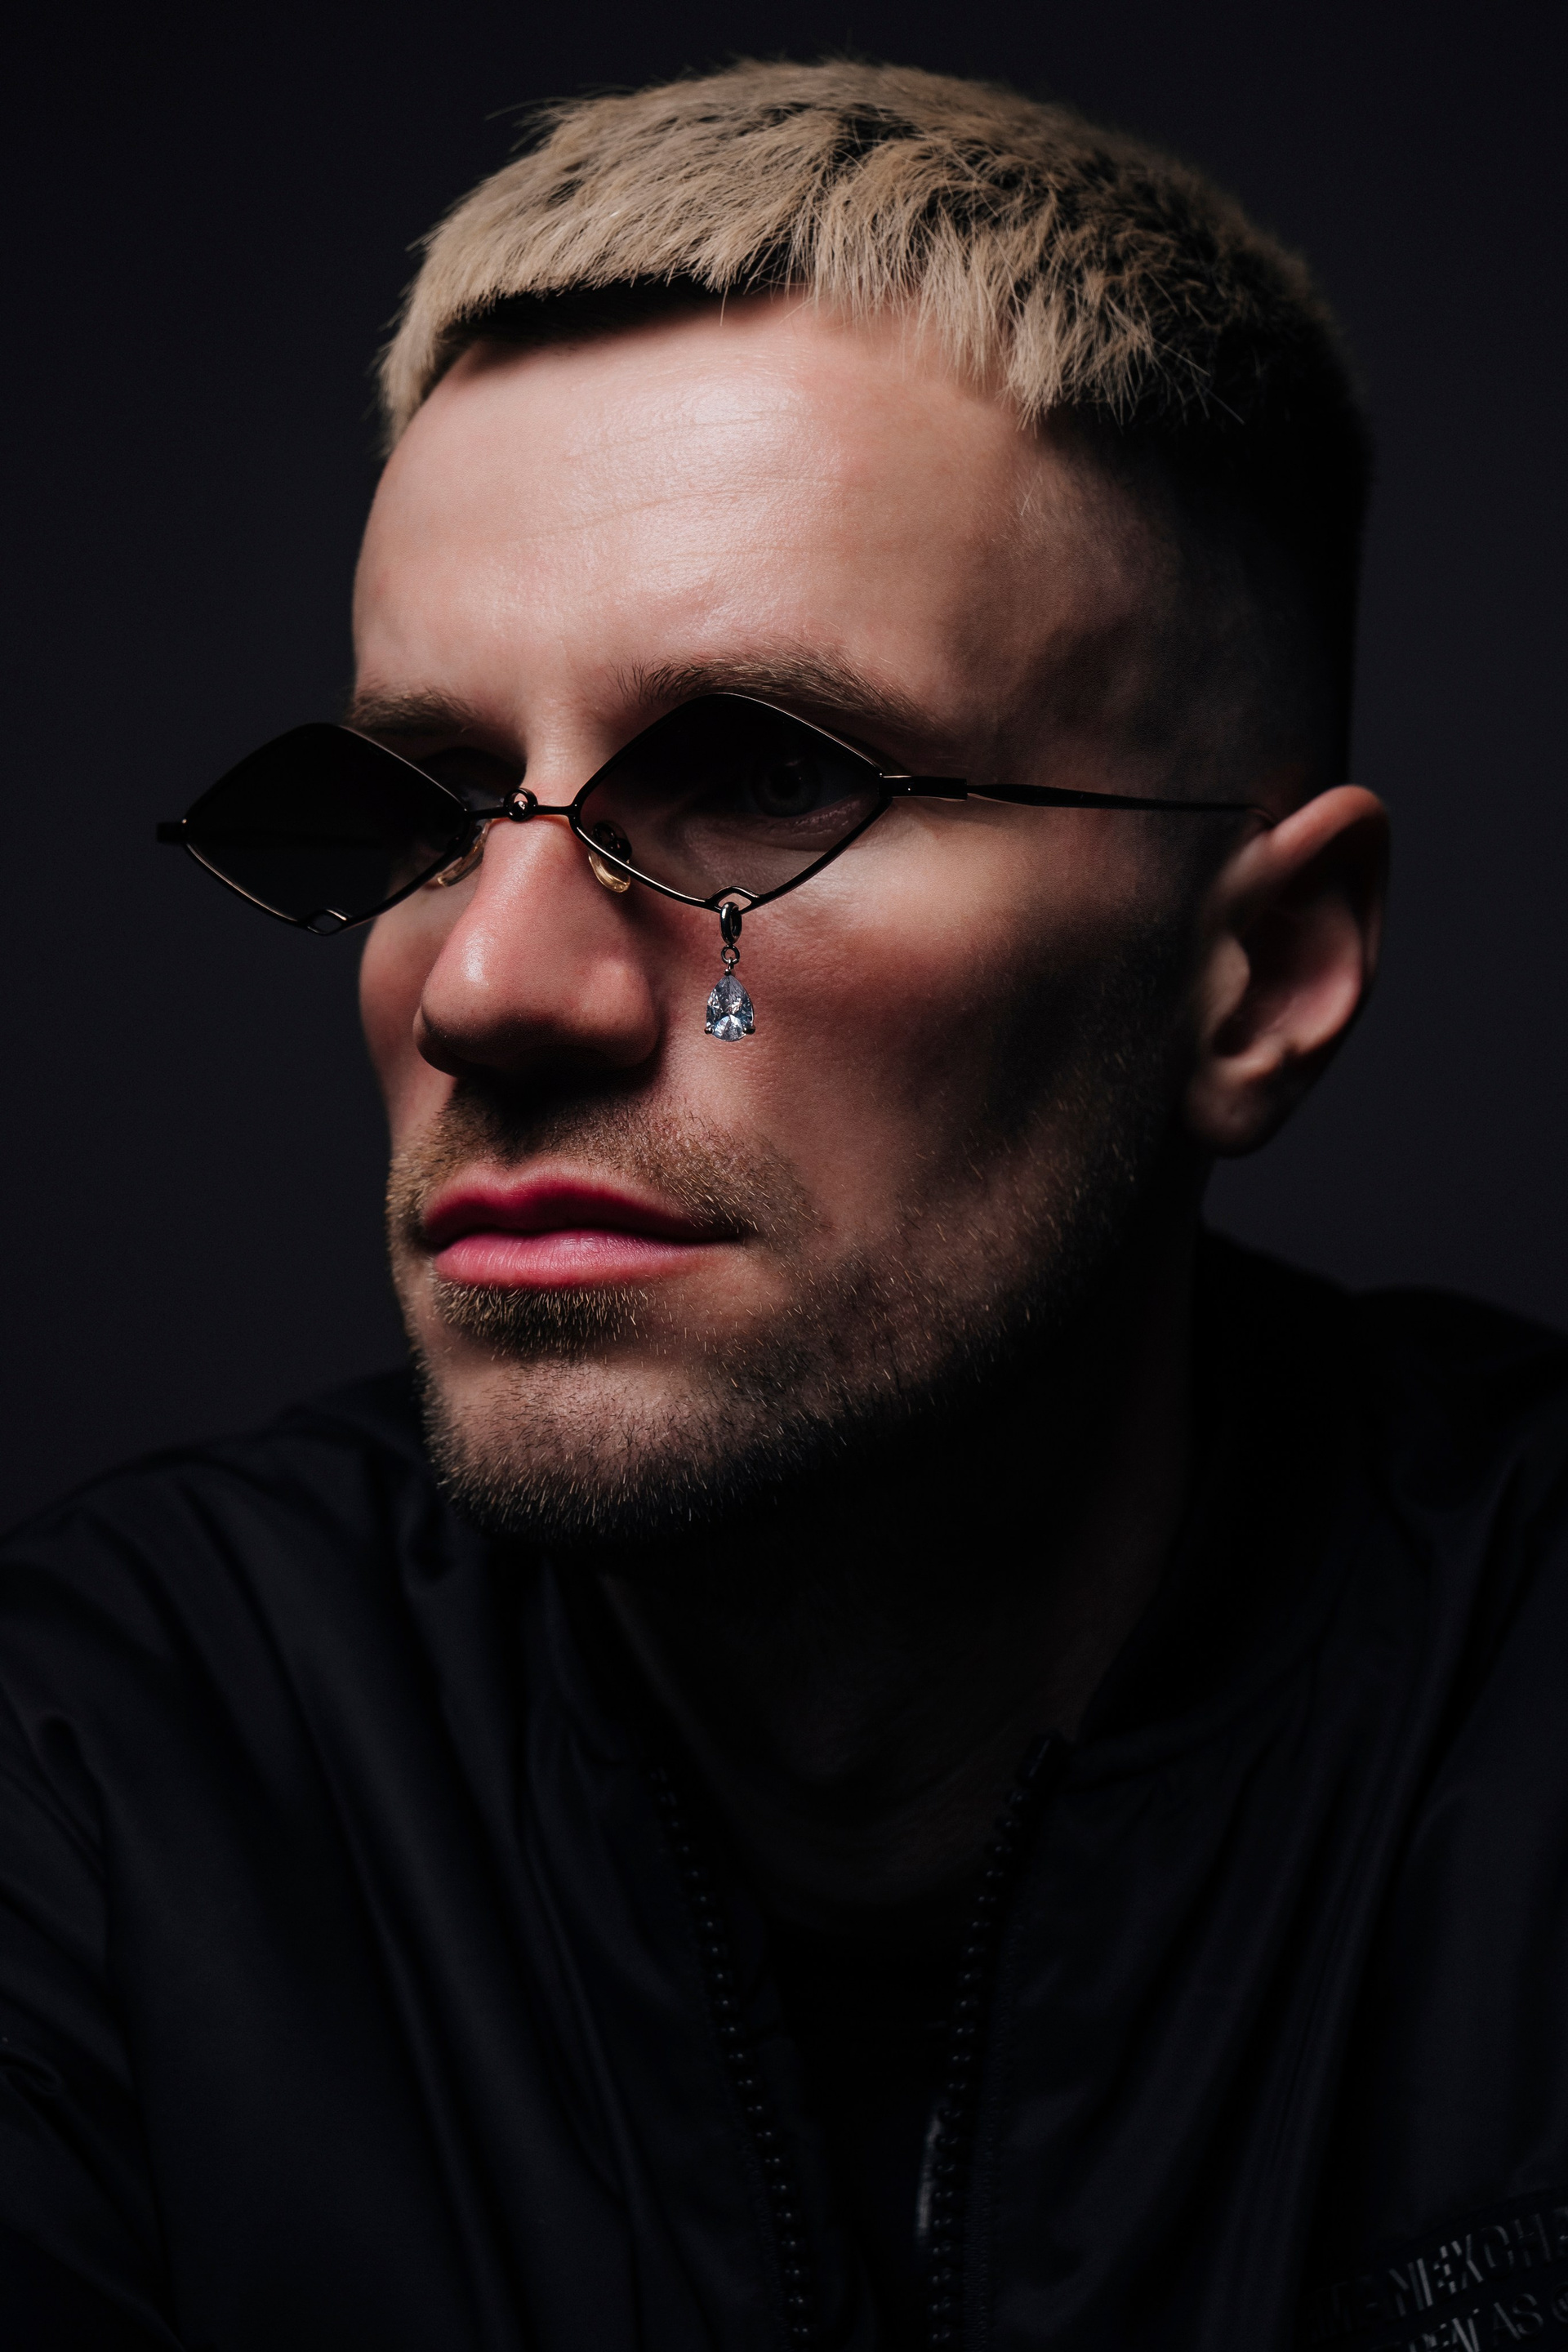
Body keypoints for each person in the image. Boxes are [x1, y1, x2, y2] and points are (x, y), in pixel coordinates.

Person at [3, 56, 1566, 2352]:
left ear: (1258, 972)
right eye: (425, 801)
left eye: (759, 780)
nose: (488, 986)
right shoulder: (97, 1774)